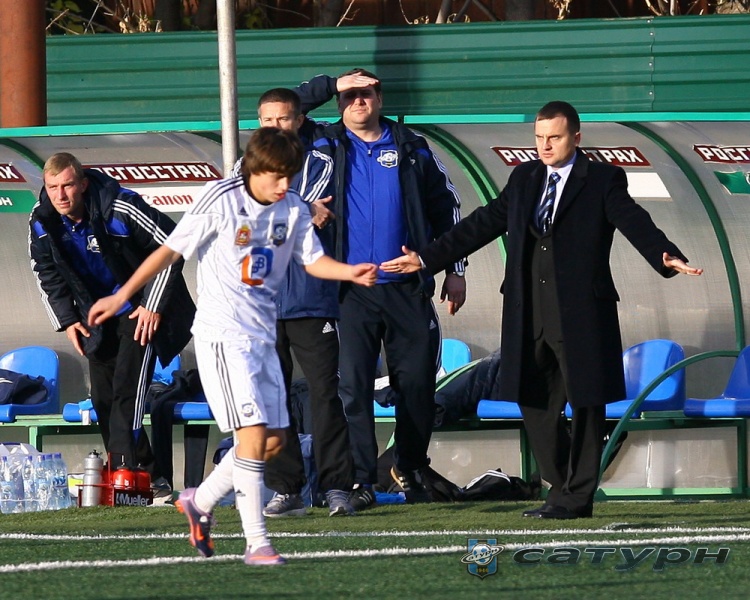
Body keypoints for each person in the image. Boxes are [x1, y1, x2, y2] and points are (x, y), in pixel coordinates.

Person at [381, 101, 703, 519]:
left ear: (576, 138)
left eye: (554, 137)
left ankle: (574, 497)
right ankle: (567, 483)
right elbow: (482, 223)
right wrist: (427, 258)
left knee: (586, 404)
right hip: (527, 310)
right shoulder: (525, 177)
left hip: (582, 312)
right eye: (539, 137)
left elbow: (632, 219)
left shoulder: (602, 179)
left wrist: (664, 253)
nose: (545, 145)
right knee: (532, 401)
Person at [89, 128, 377, 566]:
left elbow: (313, 260)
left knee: (273, 442)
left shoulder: (292, 206)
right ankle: (256, 543)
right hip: (224, 337)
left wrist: (349, 272)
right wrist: (123, 295)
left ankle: (200, 500)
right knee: (253, 436)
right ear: (254, 169)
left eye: (289, 176)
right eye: (277, 176)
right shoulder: (220, 198)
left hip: (263, 337)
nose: (284, 185)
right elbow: (169, 251)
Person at [295, 69, 467, 508]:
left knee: (417, 386)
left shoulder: (412, 146)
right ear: (339, 102)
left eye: (366, 94)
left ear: (380, 98)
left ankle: (409, 467)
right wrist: (330, 84)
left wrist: (454, 269)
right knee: (352, 389)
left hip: (407, 287)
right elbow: (285, 111)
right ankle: (359, 481)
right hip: (350, 291)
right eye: (349, 96)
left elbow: (447, 205)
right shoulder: (323, 144)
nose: (358, 102)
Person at [29, 152, 195, 486]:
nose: (60, 195)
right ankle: (148, 475)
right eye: (52, 187)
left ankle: (123, 472)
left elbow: (174, 246)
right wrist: (68, 320)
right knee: (103, 398)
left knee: (126, 391)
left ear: (82, 184)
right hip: (95, 313)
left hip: (140, 309)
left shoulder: (119, 206)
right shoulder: (42, 219)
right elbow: (45, 270)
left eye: (67, 186)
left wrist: (152, 305)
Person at [232, 87, 359, 518]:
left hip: (311, 298)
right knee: (271, 395)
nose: (276, 127)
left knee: (326, 394)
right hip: (262, 303)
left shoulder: (319, 159)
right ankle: (287, 489)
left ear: (299, 121)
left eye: (284, 118)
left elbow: (285, 206)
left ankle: (337, 487)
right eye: (267, 120)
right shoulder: (242, 164)